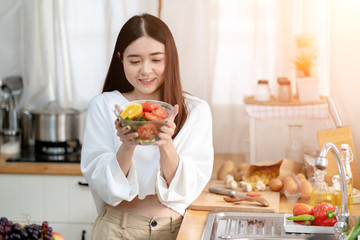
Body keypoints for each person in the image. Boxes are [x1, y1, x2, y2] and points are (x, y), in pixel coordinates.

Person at [81, 13, 214, 240]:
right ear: (120, 59)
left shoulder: (195, 110)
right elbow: (101, 184)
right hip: (115, 229)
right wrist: (127, 145)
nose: (145, 70)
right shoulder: (104, 106)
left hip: (175, 229)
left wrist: (166, 144)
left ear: (170, 58)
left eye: (156, 59)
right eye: (134, 61)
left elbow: (188, 188)